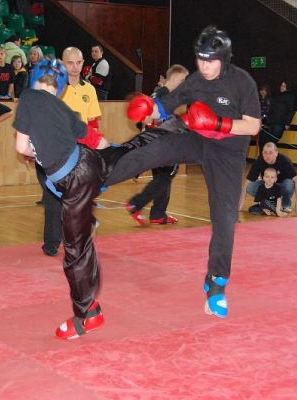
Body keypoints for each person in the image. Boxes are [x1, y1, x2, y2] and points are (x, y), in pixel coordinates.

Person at [103, 25, 261, 319]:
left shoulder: (242, 82)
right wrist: (147, 107)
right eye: (201, 59)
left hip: (228, 152)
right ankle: (100, 177)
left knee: (225, 218)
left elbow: (253, 125)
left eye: (210, 61)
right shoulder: (195, 81)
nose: (204, 66)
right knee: (153, 150)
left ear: (224, 58)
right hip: (197, 139)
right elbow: (165, 107)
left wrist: (218, 124)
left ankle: (216, 283)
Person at [14, 59, 105, 339]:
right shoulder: (64, 108)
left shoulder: (28, 97)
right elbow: (97, 140)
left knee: (74, 252)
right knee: (80, 243)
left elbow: (21, 147)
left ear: (35, 79)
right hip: (87, 167)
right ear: (62, 87)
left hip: (72, 180)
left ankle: (87, 315)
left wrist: (38, 149)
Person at [35, 46, 109, 257]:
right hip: (54, 151)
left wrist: (96, 148)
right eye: (70, 63)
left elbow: (93, 122)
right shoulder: (52, 87)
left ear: (83, 63)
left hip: (80, 152)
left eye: (78, 63)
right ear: (62, 63)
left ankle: (77, 241)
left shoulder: (89, 90)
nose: (75, 67)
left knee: (79, 199)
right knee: (53, 198)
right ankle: (51, 242)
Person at [125, 64, 189, 225]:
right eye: (183, 80)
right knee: (167, 175)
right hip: (164, 141)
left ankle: (158, 214)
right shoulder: (166, 96)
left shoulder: (158, 93)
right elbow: (149, 118)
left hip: (155, 140)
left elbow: (144, 118)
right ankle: (136, 203)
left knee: (163, 177)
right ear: (175, 78)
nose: (184, 83)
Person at [238, 142, 297, 217]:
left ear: (276, 153)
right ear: (262, 153)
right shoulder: (259, 161)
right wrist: (241, 202)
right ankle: (268, 203)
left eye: (271, 153)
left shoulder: (284, 160)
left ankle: (286, 204)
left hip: (282, 185)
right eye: (265, 153)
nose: (268, 156)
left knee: (288, 184)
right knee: (250, 187)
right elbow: (247, 181)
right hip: (269, 185)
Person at [258, 80, 296, 150]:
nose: (282, 87)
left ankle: (269, 156)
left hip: (280, 122)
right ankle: (264, 156)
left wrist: (288, 123)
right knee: (265, 141)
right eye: (281, 85)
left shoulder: (290, 96)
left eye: (284, 86)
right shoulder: (276, 95)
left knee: (272, 141)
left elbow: (291, 110)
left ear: (288, 87)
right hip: (271, 122)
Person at [257, 83, 271, 153]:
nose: (262, 92)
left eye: (264, 90)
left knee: (264, 141)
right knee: (260, 142)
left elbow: (268, 112)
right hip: (257, 123)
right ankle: (260, 156)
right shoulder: (257, 100)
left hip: (266, 124)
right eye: (261, 90)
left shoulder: (269, 100)